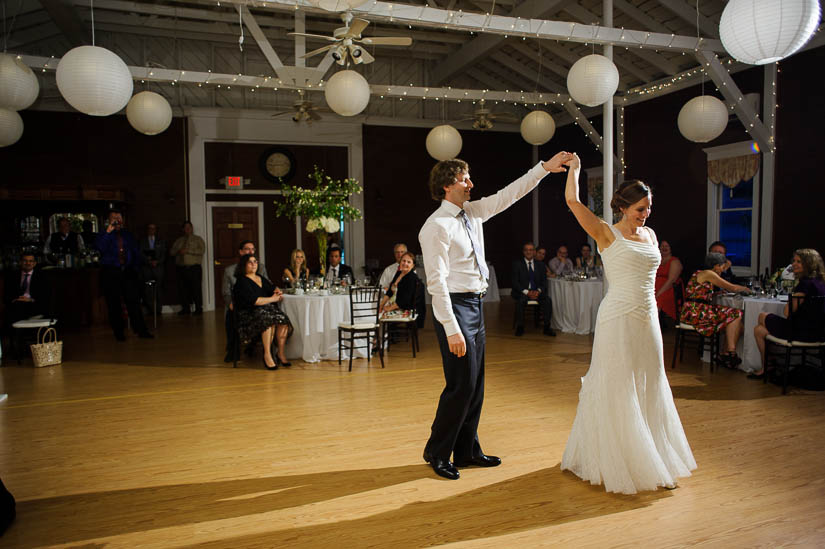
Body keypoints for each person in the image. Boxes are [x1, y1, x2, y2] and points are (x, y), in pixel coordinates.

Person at [419, 150, 572, 481]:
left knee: (476, 386)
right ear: (447, 185)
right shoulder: (436, 227)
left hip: (475, 305)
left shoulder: (472, 213)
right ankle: (437, 452)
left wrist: (544, 168)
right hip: (455, 308)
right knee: (460, 386)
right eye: (464, 179)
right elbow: (436, 285)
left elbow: (510, 194)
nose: (471, 184)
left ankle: (467, 451)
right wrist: (451, 329)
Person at [559, 155, 696, 494]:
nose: (645, 215)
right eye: (640, 209)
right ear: (623, 208)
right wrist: (575, 171)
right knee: (618, 382)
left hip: (647, 315)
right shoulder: (605, 233)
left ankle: (655, 456)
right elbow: (572, 201)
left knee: (650, 380)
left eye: (648, 208)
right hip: (618, 316)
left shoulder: (650, 235)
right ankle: (617, 458)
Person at [751, 249, 825, 379]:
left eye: (799, 262)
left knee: (762, 316)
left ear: (809, 264)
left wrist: (793, 296)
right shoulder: (821, 282)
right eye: (794, 261)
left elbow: (787, 312)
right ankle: (767, 366)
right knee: (759, 330)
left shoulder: (805, 284)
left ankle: (767, 367)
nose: (794, 264)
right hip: (819, 332)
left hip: (801, 332)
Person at [680, 253, 748, 367]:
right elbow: (732, 287)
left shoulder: (702, 273)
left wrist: (716, 293)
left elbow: (699, 294)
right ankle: (730, 352)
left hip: (693, 310)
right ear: (716, 266)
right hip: (696, 312)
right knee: (736, 313)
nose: (722, 270)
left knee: (739, 326)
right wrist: (747, 289)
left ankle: (724, 354)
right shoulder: (709, 273)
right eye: (722, 267)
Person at [96, 211, 153, 341]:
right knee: (114, 304)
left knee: (133, 302)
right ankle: (119, 333)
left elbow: (135, 252)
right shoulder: (104, 234)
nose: (117, 220)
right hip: (111, 272)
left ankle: (141, 330)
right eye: (114, 218)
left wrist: (137, 268)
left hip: (127, 271)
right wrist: (108, 232)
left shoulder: (127, 234)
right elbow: (100, 248)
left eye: (119, 217)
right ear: (109, 220)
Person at [232, 254, 292, 370]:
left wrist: (276, 290)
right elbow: (255, 301)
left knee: (283, 320)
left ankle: (280, 353)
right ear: (244, 265)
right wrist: (273, 299)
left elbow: (271, 288)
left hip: (264, 310)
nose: (254, 264)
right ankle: (267, 355)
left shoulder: (259, 277)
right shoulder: (242, 281)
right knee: (268, 320)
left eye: (255, 261)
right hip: (248, 314)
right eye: (250, 262)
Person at [222, 240, 269, 363]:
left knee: (266, 314)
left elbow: (268, 285)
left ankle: (258, 348)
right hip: (238, 305)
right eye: (247, 249)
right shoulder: (230, 270)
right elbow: (226, 293)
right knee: (231, 315)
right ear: (241, 252)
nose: (251, 252)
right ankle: (233, 350)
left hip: (257, 304)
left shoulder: (260, 267)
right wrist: (232, 305)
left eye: (253, 249)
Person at [511, 242, 555, 336]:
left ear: (534, 252)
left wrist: (538, 291)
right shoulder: (517, 264)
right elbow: (515, 282)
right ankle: (520, 327)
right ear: (523, 252)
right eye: (526, 250)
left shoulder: (541, 265)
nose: (528, 252)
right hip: (523, 292)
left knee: (548, 301)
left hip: (537, 292)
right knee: (520, 301)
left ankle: (547, 327)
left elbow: (544, 282)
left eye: (531, 250)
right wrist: (527, 292)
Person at [3, 253, 48, 331]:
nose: (28, 263)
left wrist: (30, 300)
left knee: (17, 310)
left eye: (30, 261)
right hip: (17, 303)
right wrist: (15, 299)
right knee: (16, 306)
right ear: (20, 262)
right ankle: (18, 336)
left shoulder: (42, 276)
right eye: (25, 261)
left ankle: (21, 334)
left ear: (34, 263)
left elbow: (45, 295)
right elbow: (7, 293)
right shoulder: (12, 276)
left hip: (34, 304)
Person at [170, 221, 205, 315]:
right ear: (183, 229)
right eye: (185, 227)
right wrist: (178, 250)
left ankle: (198, 308)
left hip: (194, 268)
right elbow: (171, 252)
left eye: (189, 227)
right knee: (182, 289)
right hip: (181, 268)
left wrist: (188, 250)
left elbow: (202, 250)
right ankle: (185, 308)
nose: (188, 229)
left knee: (196, 289)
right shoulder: (179, 240)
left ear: (192, 228)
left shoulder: (198, 239)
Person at [139, 223, 166, 316]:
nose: (151, 230)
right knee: (148, 290)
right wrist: (148, 261)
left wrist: (157, 262)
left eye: (153, 228)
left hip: (158, 269)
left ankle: (158, 310)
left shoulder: (160, 241)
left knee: (158, 289)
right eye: (150, 228)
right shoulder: (142, 241)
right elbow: (140, 254)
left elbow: (164, 255)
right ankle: (151, 309)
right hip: (147, 269)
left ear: (156, 230)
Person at [655, 240, 683, 324]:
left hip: (668, 290)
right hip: (655, 288)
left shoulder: (674, 261)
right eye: (662, 246)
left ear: (671, 248)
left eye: (667, 246)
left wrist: (658, 294)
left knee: (657, 301)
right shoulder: (657, 260)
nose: (664, 248)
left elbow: (671, 280)